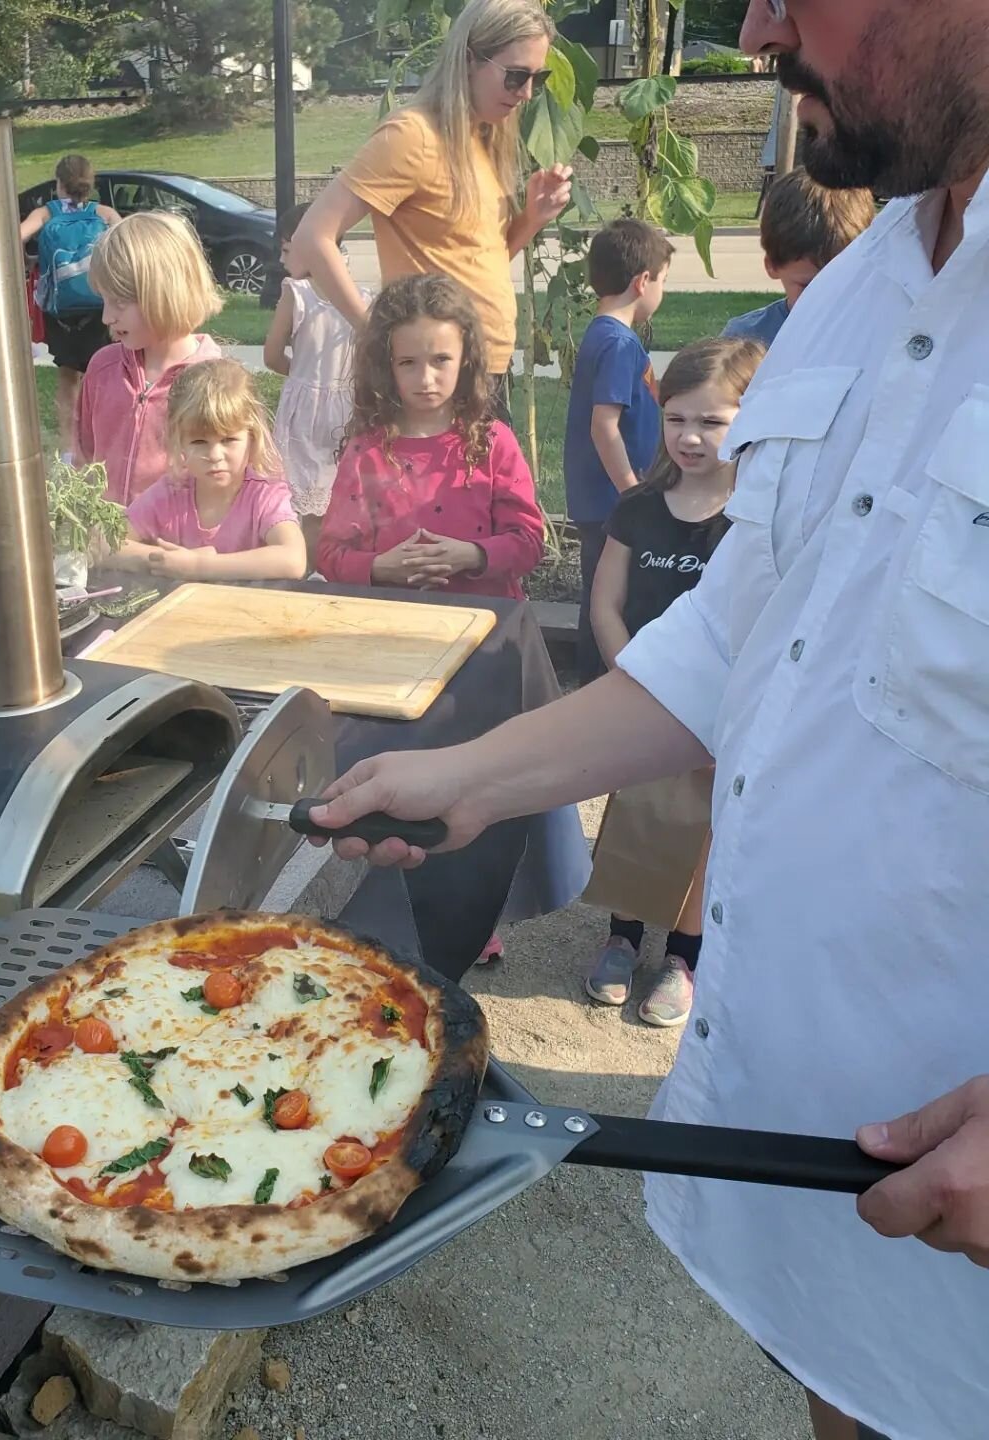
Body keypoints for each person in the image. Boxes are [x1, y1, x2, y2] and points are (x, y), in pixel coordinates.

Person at [308, 1, 989, 1434]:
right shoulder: (867, 284)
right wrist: (474, 778)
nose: (758, 25)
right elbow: (737, 643)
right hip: (828, 1178)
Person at [582, 337, 764, 1027]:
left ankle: (684, 955)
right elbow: (605, 604)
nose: (691, 437)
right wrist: (637, 683)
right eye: (677, 419)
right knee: (636, 817)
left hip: (723, 711)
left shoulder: (754, 520)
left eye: (712, 422)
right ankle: (622, 939)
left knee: (705, 832)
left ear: (751, 418)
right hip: (645, 698)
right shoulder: (638, 508)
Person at [287, 0, 573, 421]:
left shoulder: (481, 137)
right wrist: (376, 333)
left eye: (537, 78)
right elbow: (312, 237)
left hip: (482, 366)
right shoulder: (412, 136)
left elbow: (475, 259)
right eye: (516, 76)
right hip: (434, 379)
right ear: (470, 59)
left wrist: (532, 218)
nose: (526, 93)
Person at [317, 273, 543, 599]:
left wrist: (472, 555)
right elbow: (330, 554)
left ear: (465, 358)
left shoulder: (493, 444)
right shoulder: (366, 452)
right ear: (386, 365)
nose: (425, 378)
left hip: (487, 626)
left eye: (440, 360)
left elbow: (528, 541)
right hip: (395, 628)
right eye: (408, 362)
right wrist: (379, 567)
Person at [562, 218, 674, 686]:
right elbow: (604, 425)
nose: (661, 291)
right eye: (663, 281)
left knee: (604, 590)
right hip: (610, 501)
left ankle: (599, 678)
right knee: (607, 595)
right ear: (642, 281)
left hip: (604, 499)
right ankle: (597, 681)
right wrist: (631, 491)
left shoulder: (606, 335)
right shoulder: (617, 342)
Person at [75, 211, 222, 505]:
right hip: (109, 542)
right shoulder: (102, 368)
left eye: (118, 301)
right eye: (104, 300)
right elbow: (84, 455)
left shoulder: (216, 382)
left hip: (176, 547)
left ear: (163, 291)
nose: (106, 317)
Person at [115, 359, 305, 582]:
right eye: (198, 442)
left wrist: (199, 566)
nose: (214, 456)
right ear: (179, 441)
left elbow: (294, 559)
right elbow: (103, 545)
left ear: (253, 438)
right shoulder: (172, 492)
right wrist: (164, 561)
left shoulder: (264, 497)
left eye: (228, 440)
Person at [264, 201, 367, 558]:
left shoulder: (296, 293)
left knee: (302, 499)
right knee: (339, 492)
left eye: (286, 249)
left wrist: (305, 376)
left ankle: (305, 564)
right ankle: (334, 562)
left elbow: (272, 355)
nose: (282, 259)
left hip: (304, 412)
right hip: (348, 409)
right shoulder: (363, 298)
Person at [20, 155, 122, 454]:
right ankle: (103, 444)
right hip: (100, 307)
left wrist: (29, 262)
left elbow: (13, 237)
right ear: (90, 184)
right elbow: (131, 243)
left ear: (58, 183)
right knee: (104, 374)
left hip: (61, 312)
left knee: (68, 376)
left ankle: (69, 448)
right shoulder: (104, 213)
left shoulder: (46, 214)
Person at [723, 168, 875, 347]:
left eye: (843, 283)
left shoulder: (887, 332)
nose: (827, 298)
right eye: (808, 287)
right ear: (772, 266)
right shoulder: (745, 342)